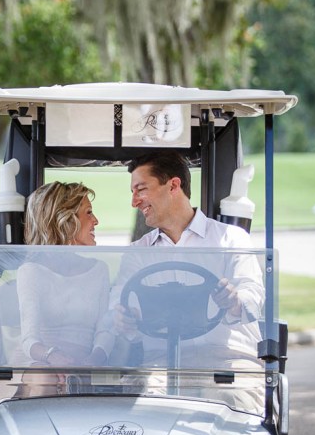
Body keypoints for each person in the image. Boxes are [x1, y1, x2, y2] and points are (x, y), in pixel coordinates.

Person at [112, 152, 265, 411]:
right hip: (161, 364)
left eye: (141, 189)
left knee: (229, 405)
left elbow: (253, 296)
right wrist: (123, 317)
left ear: (173, 185)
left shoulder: (231, 239)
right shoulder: (138, 252)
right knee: (139, 409)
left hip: (225, 361)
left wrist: (234, 301)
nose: (134, 201)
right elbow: (117, 302)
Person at [17, 182, 114, 370]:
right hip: (42, 362)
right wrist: (52, 357)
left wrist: (94, 359)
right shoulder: (31, 271)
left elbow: (105, 330)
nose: (96, 220)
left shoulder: (99, 270)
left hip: (85, 363)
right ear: (66, 221)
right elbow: (29, 339)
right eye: (88, 212)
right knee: (46, 376)